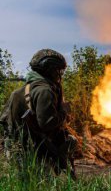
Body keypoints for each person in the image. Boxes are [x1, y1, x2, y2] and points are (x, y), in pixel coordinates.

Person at [0, 49, 79, 179]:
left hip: (17, 149)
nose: (60, 74)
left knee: (26, 186)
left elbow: (5, 120)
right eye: (58, 70)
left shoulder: (20, 91)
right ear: (50, 69)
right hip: (35, 149)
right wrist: (64, 111)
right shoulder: (45, 90)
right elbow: (47, 123)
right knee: (43, 189)